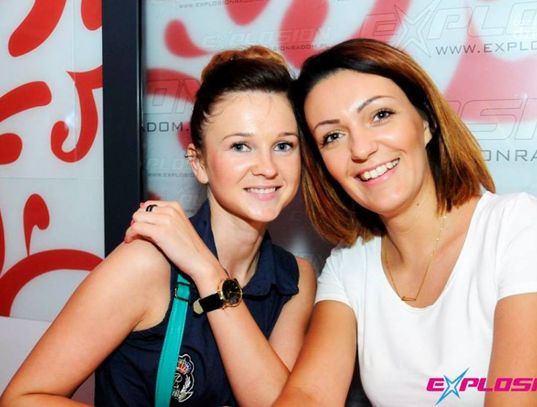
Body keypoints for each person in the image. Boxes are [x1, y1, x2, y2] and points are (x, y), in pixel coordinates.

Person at [0, 46, 316, 406]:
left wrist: (207, 271)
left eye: (283, 145)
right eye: (241, 146)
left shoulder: (294, 278)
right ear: (198, 163)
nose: (268, 167)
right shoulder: (146, 263)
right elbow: (23, 399)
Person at [274, 38, 537, 406]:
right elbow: (309, 394)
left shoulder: (516, 226)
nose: (361, 148)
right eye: (333, 136)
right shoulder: (349, 265)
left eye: (380, 115)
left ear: (426, 121)